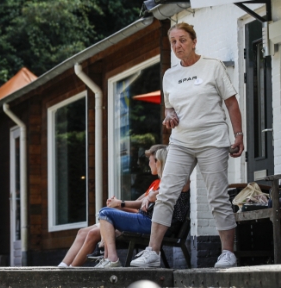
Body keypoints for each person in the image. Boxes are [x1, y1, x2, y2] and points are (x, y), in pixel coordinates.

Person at [130, 22, 243, 268]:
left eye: (182, 40)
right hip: (181, 143)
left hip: (212, 141)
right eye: (173, 42)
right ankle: (153, 252)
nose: (178, 45)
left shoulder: (212, 67)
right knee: (166, 194)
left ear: (194, 41)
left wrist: (238, 134)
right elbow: (169, 106)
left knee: (217, 196)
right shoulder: (170, 75)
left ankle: (227, 253)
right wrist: (168, 115)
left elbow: (232, 103)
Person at [58, 144, 166, 268]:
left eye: (150, 161)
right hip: (135, 219)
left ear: (159, 162)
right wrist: (117, 205)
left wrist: (119, 204)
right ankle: (63, 265)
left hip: (141, 222)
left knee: (94, 230)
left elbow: (141, 210)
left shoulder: (163, 185)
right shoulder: (155, 183)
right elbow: (138, 204)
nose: (148, 164)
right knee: (82, 231)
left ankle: (74, 269)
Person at [98, 148, 190, 268]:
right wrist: (148, 197)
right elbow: (147, 200)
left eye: (154, 160)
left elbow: (182, 184)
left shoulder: (180, 181)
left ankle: (112, 259)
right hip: (150, 221)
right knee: (105, 213)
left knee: (105, 213)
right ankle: (107, 258)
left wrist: (152, 196)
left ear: (161, 162)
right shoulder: (165, 184)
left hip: (160, 225)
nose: (151, 163)